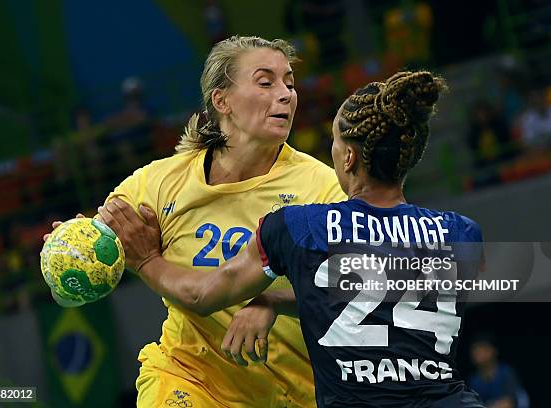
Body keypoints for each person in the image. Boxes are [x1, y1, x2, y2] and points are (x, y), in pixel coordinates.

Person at [100, 71, 486, 407]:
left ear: (348, 158)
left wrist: (147, 261)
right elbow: (375, 295)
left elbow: (204, 296)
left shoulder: (301, 227)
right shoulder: (462, 234)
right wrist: (274, 301)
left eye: (334, 141)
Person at [46, 36, 345, 407]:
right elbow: (80, 266)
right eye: (266, 82)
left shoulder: (322, 190)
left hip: (293, 391)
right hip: (190, 376)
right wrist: (71, 250)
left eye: (289, 82)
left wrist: (271, 302)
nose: (285, 94)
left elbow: (358, 293)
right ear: (222, 101)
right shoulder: (158, 184)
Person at [468, 334, 529, 408]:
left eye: (484, 348)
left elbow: (510, 403)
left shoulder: (505, 372)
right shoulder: (474, 380)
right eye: (475, 349)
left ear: (494, 351)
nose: (479, 353)